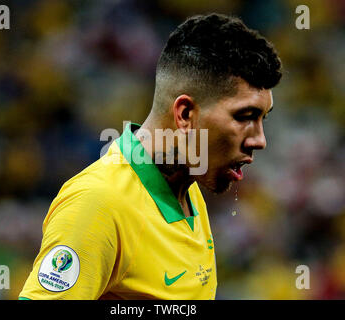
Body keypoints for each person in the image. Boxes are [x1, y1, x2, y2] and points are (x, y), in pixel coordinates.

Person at [19, 13, 282, 300]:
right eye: (245, 116)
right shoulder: (98, 203)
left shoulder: (190, 190)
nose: (260, 141)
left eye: (262, 119)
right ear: (185, 114)